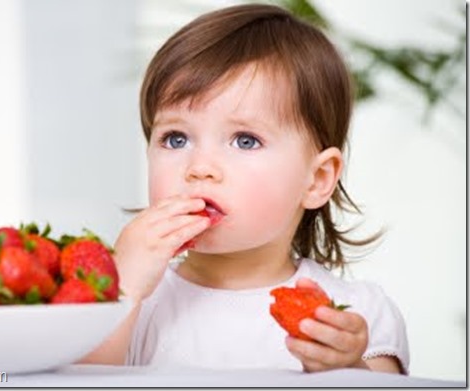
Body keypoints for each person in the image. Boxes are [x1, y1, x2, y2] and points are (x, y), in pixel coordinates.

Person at [82, 3, 409, 373]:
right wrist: (120, 289)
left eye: (245, 140)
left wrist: (346, 369)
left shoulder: (354, 314)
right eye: (175, 139)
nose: (199, 168)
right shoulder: (137, 304)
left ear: (316, 180)